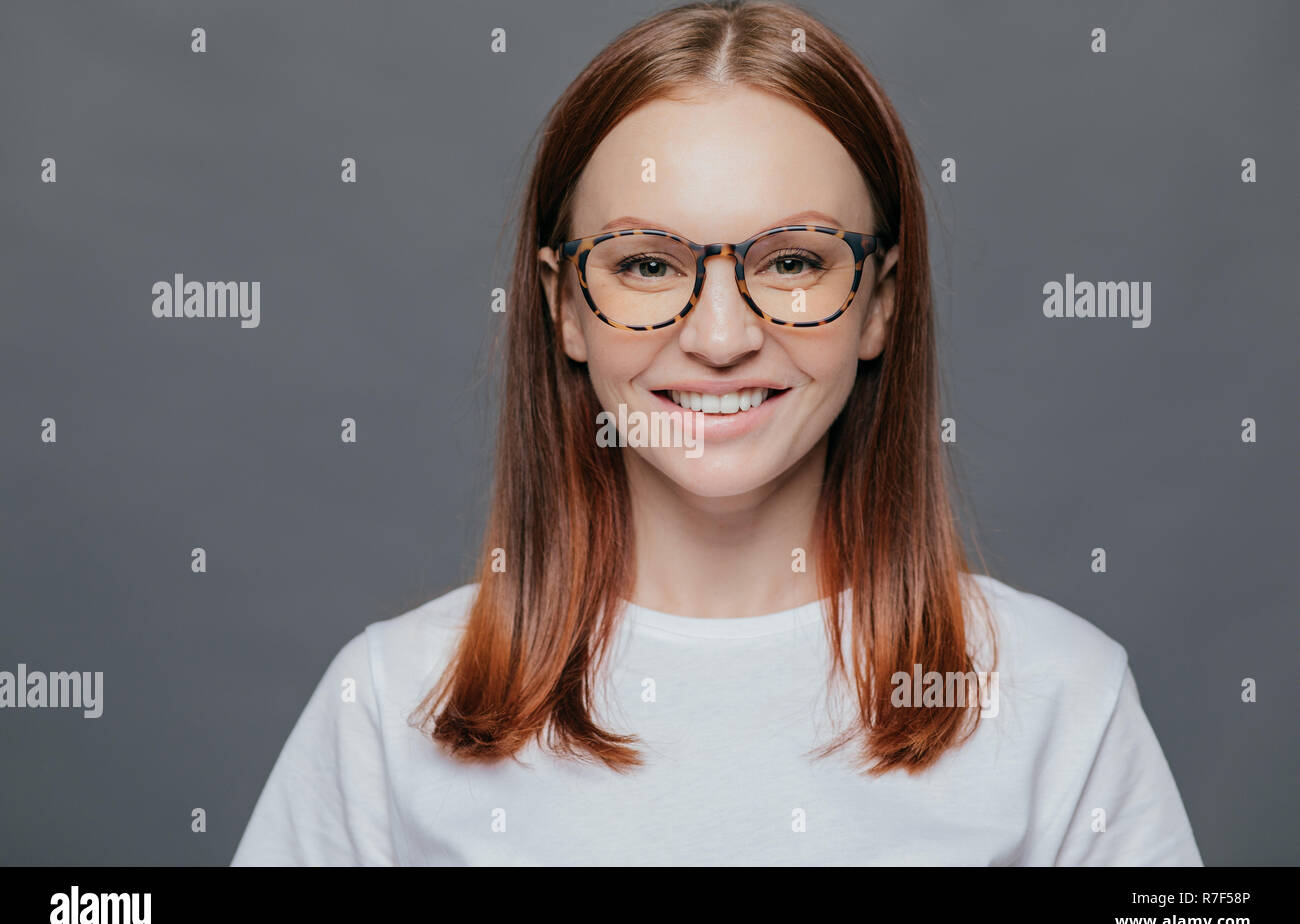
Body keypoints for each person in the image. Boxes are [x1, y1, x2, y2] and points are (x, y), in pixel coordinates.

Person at [232, 0, 1201, 866]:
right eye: (647, 264)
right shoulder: (386, 708)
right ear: (564, 305)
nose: (724, 337)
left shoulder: (1064, 704)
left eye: (792, 260)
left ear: (879, 305)